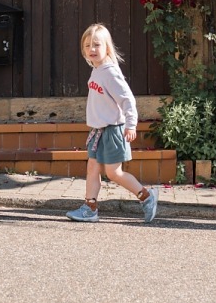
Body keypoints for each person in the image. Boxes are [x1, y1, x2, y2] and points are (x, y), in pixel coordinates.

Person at [66, 24, 158, 224]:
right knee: (92, 168)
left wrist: (131, 125)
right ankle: (90, 208)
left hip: (113, 130)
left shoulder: (110, 72)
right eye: (88, 45)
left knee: (114, 173)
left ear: (107, 47)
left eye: (97, 45)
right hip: (98, 131)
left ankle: (147, 196)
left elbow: (127, 99)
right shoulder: (97, 70)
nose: (92, 49)